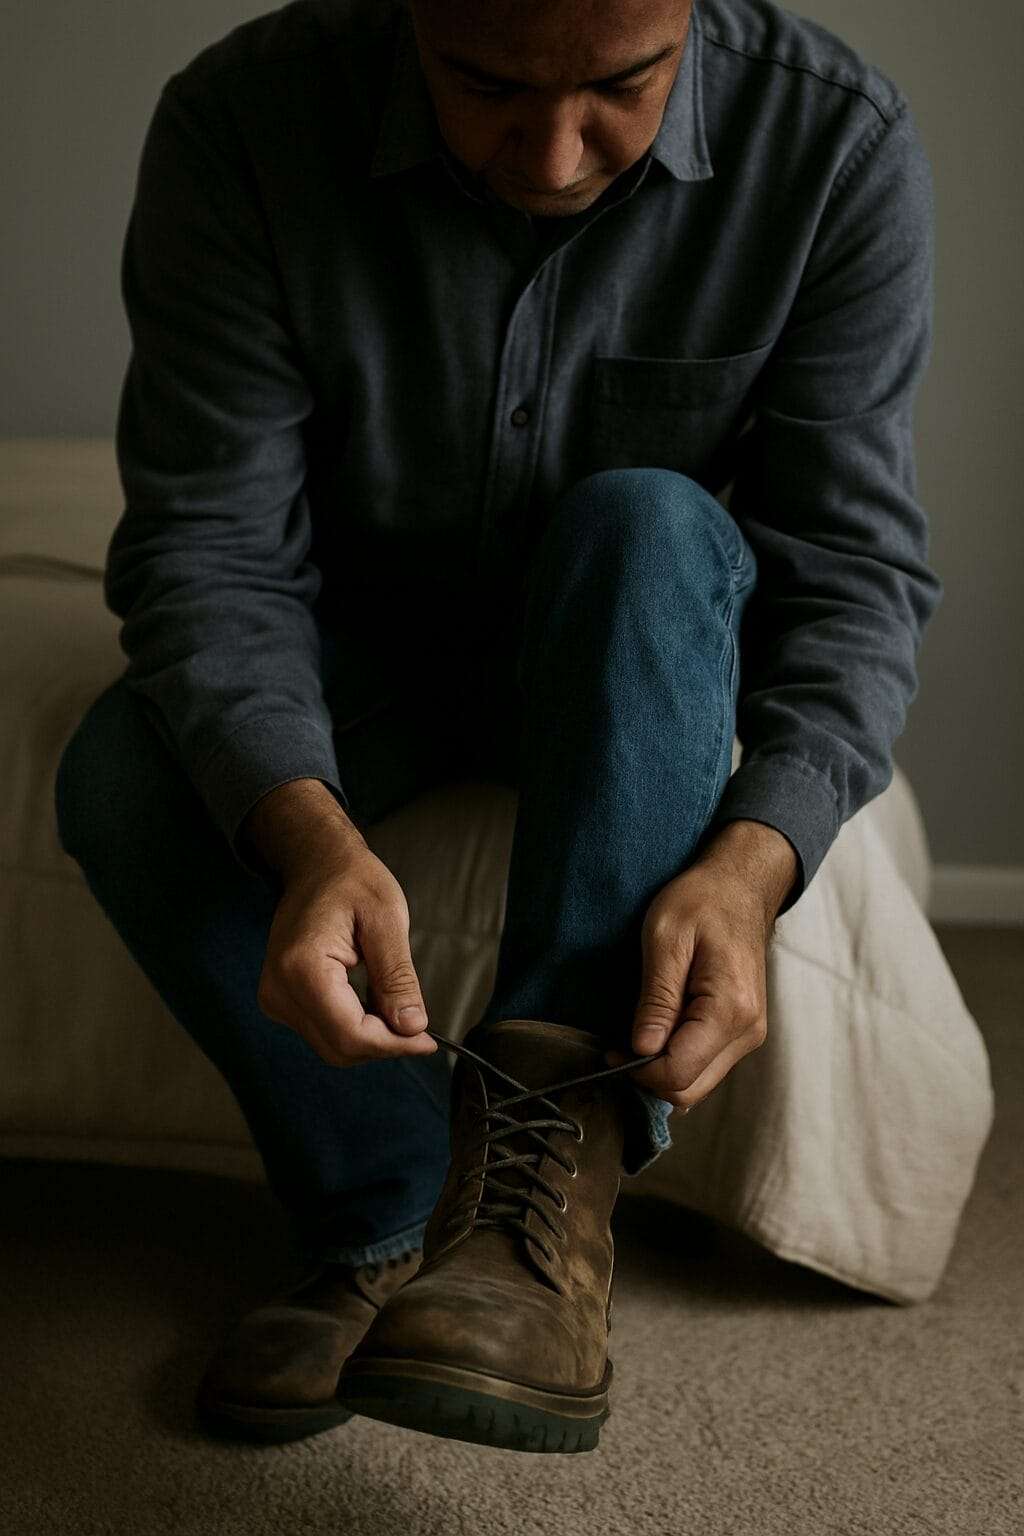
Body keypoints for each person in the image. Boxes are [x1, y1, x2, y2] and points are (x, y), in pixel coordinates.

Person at [54, 0, 942, 1455]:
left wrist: (757, 858)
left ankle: (543, 1214)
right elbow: (210, 547)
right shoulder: (241, 124)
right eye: (483, 86)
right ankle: (392, 1210)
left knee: (649, 519)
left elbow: (852, 575)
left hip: (631, 631)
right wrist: (304, 832)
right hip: (369, 636)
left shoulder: (837, 146)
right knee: (122, 777)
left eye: (621, 86)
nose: (551, 149)